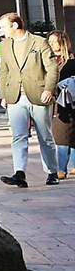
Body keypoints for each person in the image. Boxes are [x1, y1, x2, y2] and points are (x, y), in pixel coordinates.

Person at [0, 12, 61, 188]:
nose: (0, 30)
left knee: (45, 135)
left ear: (15, 26)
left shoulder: (39, 42)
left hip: (38, 95)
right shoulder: (5, 45)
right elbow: (3, 71)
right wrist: (3, 94)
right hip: (15, 96)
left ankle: (52, 171)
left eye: (3, 26)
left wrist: (49, 89)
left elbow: (52, 68)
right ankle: (19, 173)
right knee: (18, 136)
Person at [48, 30, 74, 180]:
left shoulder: (71, 61)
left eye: (54, 41)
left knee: (64, 136)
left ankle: (61, 169)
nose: (51, 44)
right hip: (55, 103)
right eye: (49, 41)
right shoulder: (48, 59)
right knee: (62, 134)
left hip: (69, 102)